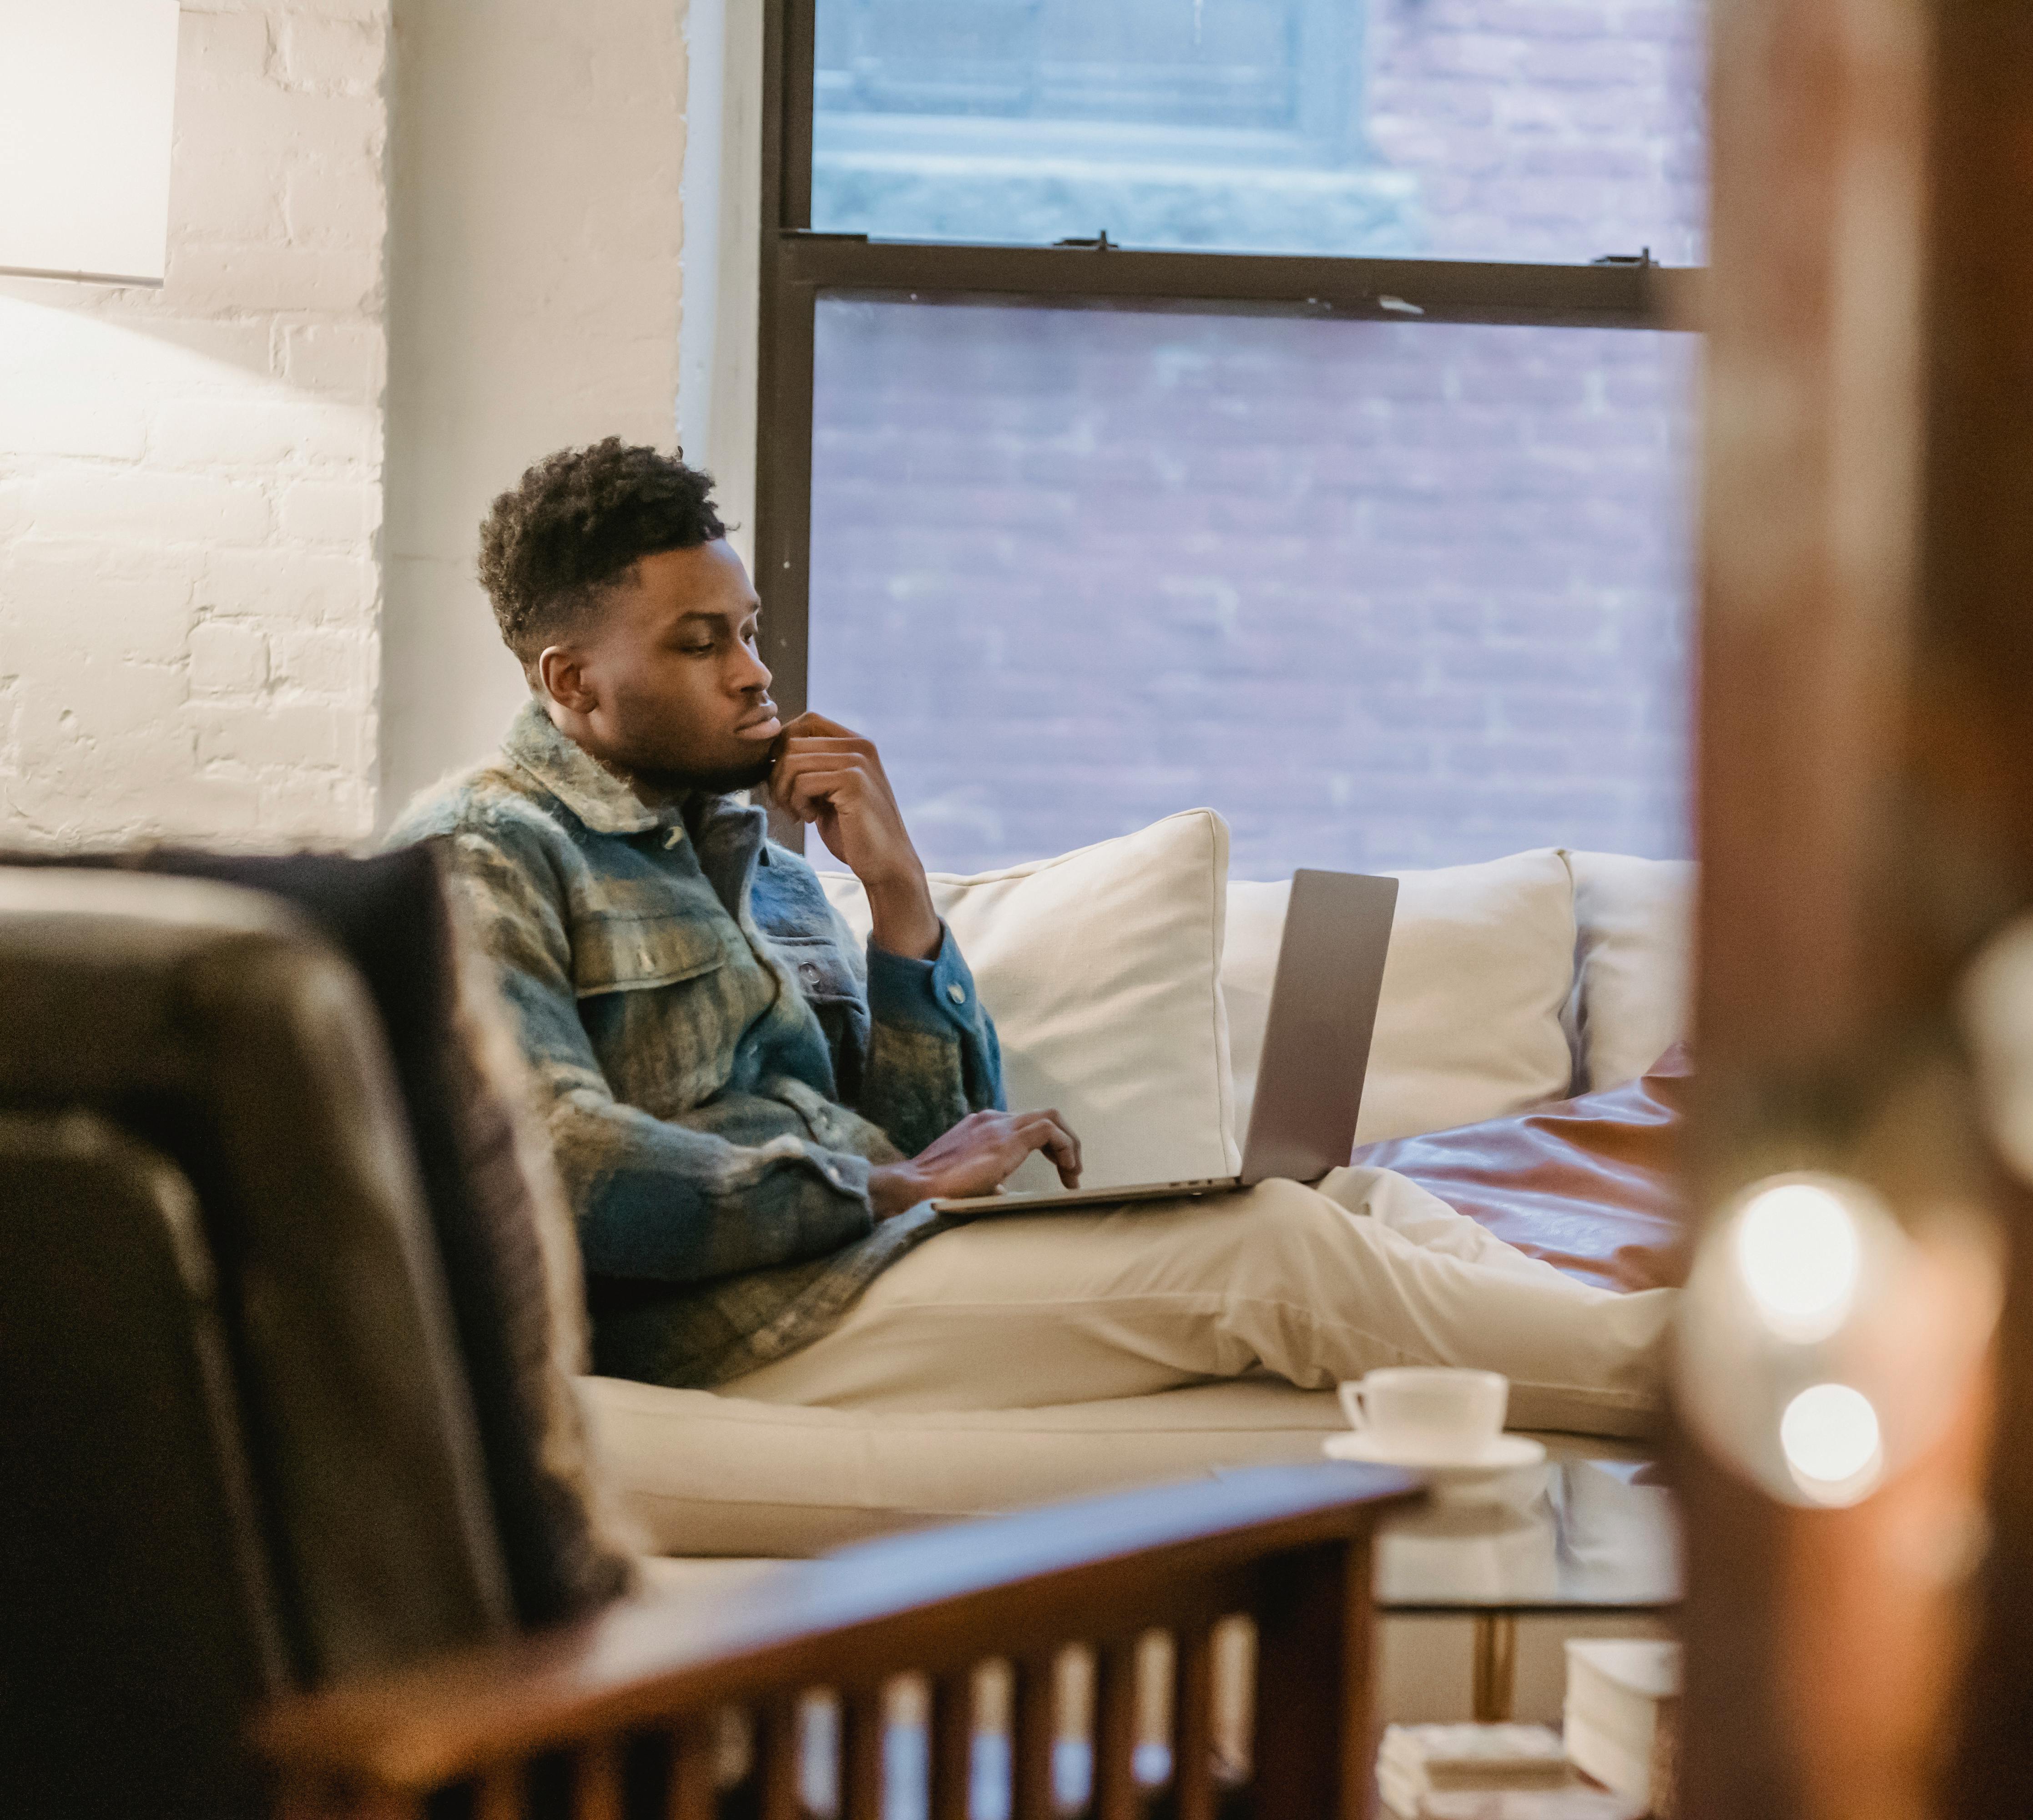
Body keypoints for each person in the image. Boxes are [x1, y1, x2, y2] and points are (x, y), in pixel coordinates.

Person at [393, 438, 1669, 1436]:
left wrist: (898, 903)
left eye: (752, 630)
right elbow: (547, 1161)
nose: (755, 674)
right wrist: (881, 1189)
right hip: (727, 1326)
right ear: (570, 681)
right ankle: (1720, 1397)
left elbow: (941, 1140)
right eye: (701, 642)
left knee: (1349, 1192)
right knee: (1272, 1252)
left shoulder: (765, 866)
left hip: (876, 1264)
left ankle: (1670, 1351)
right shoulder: (484, 848)